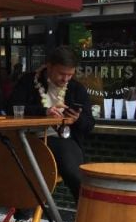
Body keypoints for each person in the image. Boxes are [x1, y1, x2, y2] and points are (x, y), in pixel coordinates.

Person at [7, 46, 94, 203]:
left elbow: (89, 125)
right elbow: (12, 107)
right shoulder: (28, 82)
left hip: (62, 139)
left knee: (75, 174)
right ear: (49, 66)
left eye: (70, 74)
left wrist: (77, 119)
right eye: (62, 74)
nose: (66, 79)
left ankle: (86, 215)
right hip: (29, 137)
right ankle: (24, 216)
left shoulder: (76, 88)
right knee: (25, 172)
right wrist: (44, 111)